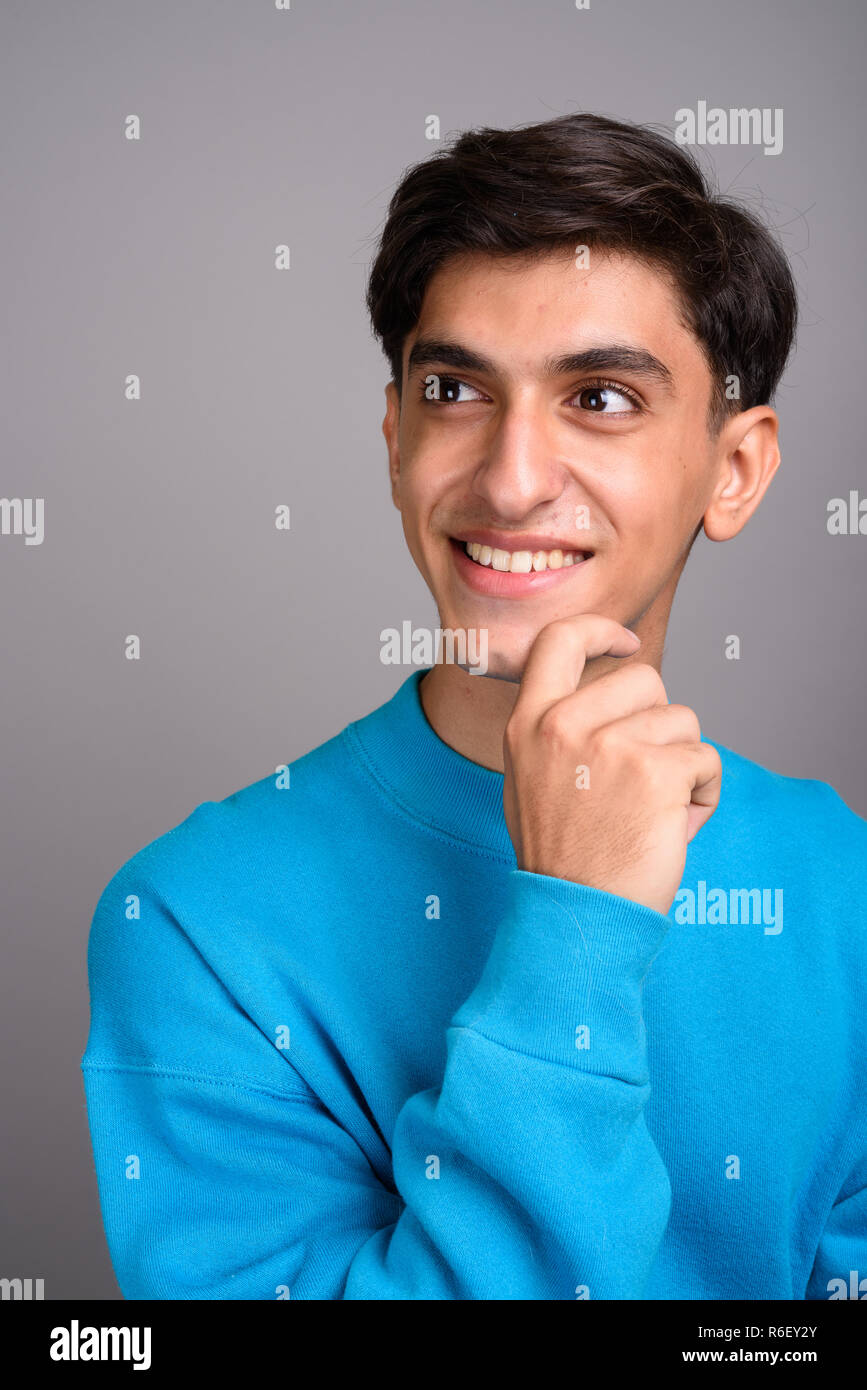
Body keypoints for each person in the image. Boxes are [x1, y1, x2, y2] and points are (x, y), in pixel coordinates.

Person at [81, 112, 867, 1300]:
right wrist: (578, 925)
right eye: (454, 388)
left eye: (601, 398)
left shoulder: (840, 880)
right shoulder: (189, 922)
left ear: (736, 468)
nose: (507, 479)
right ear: (396, 435)